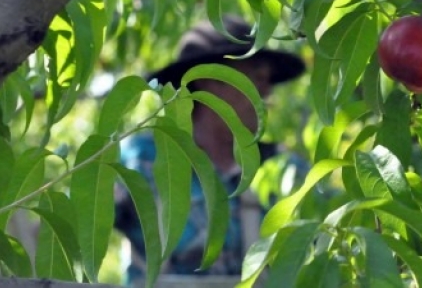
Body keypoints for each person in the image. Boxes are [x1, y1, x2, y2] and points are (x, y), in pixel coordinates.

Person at [114, 15, 307, 284]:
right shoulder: (142, 160)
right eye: (258, 78)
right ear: (211, 80)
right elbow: (67, 231)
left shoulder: (284, 170)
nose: (267, 93)